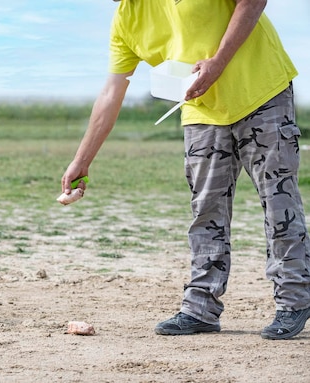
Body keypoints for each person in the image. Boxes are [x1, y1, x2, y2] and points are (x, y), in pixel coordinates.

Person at [61, 0, 310, 340]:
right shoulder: (125, 19)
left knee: (278, 203)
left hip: (261, 94)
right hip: (200, 109)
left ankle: (294, 301)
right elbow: (111, 91)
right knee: (205, 211)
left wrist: (218, 63)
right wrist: (82, 158)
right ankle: (200, 309)